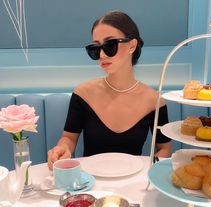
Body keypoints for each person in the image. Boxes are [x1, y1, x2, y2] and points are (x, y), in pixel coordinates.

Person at [47, 11, 172, 170]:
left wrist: (149, 172)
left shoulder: (154, 101)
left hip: (133, 182)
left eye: (110, 45)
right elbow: (69, 138)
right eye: (95, 48)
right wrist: (62, 149)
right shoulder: (83, 93)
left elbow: (164, 148)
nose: (101, 54)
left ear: (132, 45)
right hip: (90, 183)